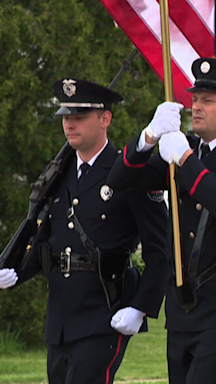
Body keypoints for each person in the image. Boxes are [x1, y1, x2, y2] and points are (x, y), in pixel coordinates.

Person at [0, 78, 169, 384]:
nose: (69, 125)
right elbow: (47, 243)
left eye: (79, 117)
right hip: (62, 315)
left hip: (104, 310)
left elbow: (161, 250)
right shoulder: (58, 175)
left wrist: (141, 308)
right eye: (66, 117)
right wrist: (16, 272)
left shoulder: (129, 173)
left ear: (105, 119)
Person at [107, 58, 216, 384]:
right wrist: (147, 139)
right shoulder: (184, 149)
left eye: (208, 100)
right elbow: (120, 181)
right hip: (182, 304)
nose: (196, 107)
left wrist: (184, 159)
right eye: (195, 99)